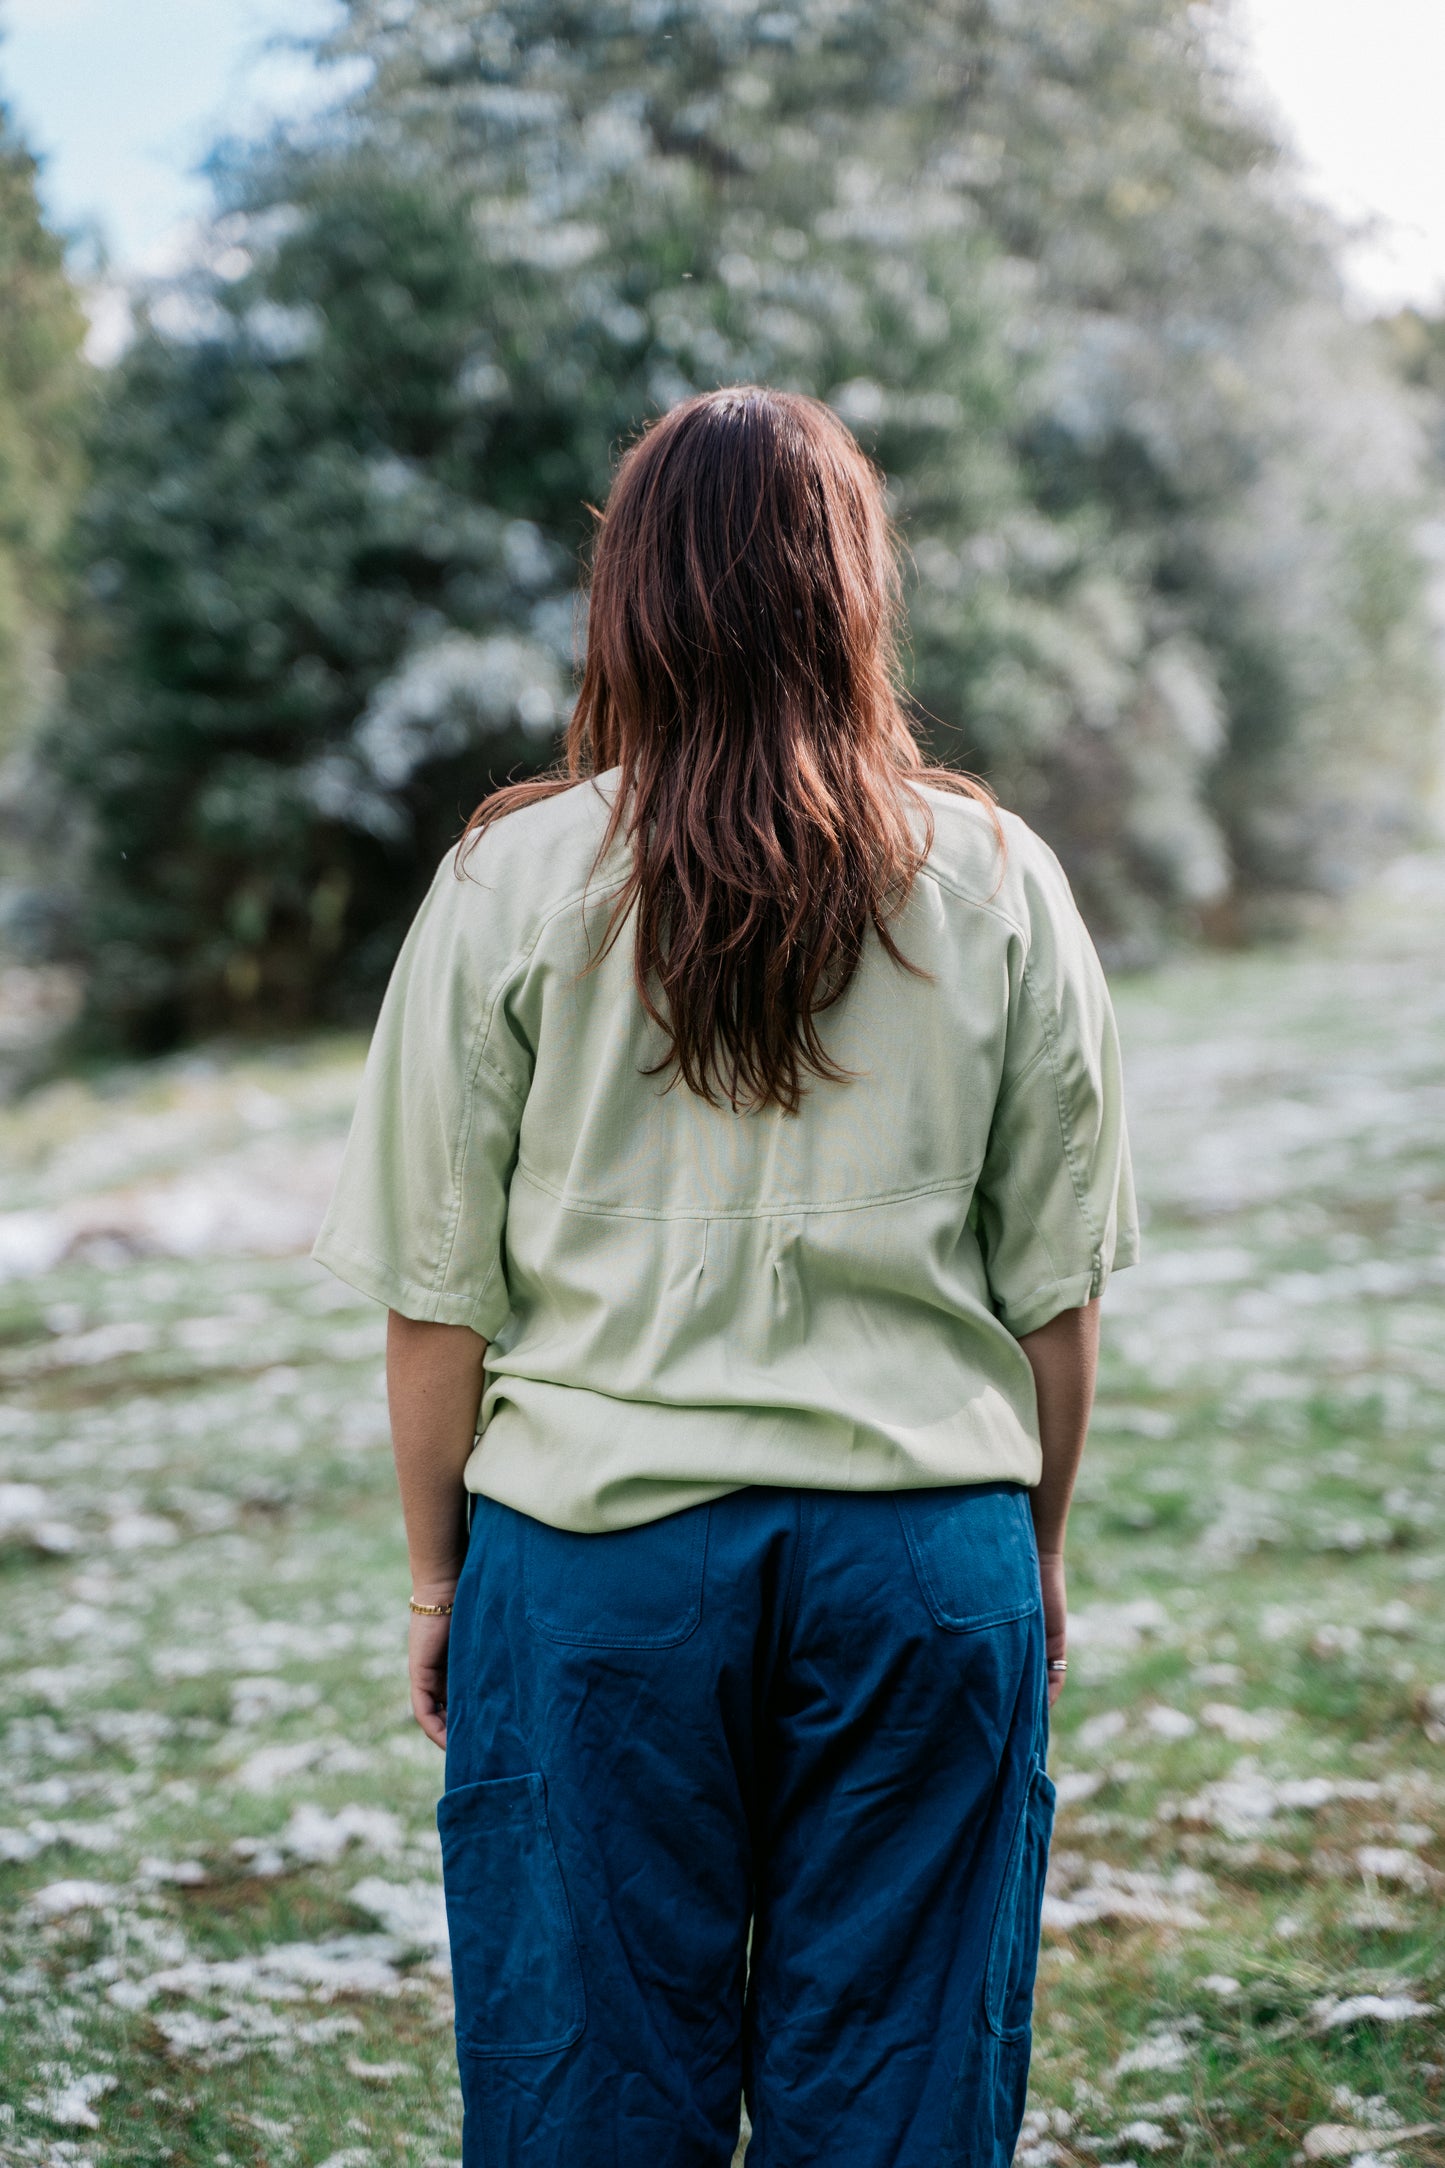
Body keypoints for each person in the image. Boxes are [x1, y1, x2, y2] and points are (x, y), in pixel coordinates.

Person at [312, 385, 1137, 2168]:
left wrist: (435, 1580)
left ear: (635, 599)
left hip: (593, 1573)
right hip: (924, 1562)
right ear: (851, 591)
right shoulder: (1000, 876)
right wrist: (1041, 1544)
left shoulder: (510, 875)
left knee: (589, 2096)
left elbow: (432, 1297)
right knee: (904, 2096)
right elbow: (1052, 1299)